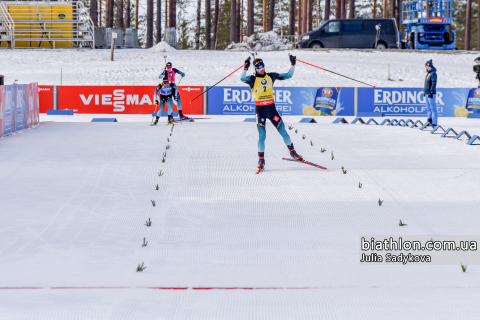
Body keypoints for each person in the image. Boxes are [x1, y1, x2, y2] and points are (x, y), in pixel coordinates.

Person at [240, 55, 303, 171]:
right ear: (255, 68)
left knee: (283, 131)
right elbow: (242, 79)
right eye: (258, 66)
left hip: (271, 109)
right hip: (260, 111)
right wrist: (245, 68)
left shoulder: (271, 76)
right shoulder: (252, 79)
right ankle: (261, 160)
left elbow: (288, 75)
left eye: (262, 65)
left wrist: (293, 64)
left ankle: (293, 152)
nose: (261, 68)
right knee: (262, 136)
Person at [424, 59, 438, 126]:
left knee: (433, 108)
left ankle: (434, 122)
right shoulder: (428, 73)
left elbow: (434, 83)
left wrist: (431, 91)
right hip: (427, 93)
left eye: (426, 66)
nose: (425, 67)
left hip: (431, 93)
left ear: (428, 66)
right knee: (428, 108)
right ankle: (429, 119)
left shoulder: (433, 73)